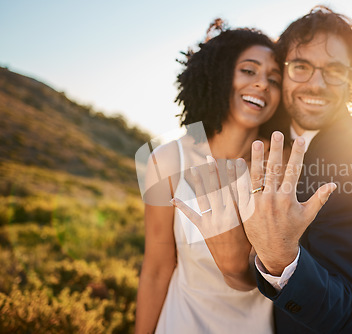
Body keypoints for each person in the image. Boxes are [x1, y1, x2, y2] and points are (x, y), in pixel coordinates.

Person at [240, 6, 352, 333]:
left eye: (334, 70)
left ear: (351, 80)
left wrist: (279, 258)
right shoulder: (270, 132)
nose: (316, 84)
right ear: (282, 70)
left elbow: (340, 308)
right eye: (301, 66)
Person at [134, 20, 282, 333]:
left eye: (274, 78)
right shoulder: (167, 161)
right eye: (249, 70)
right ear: (220, 74)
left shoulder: (281, 166)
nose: (262, 84)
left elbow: (278, 275)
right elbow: (157, 269)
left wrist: (235, 268)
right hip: (180, 322)